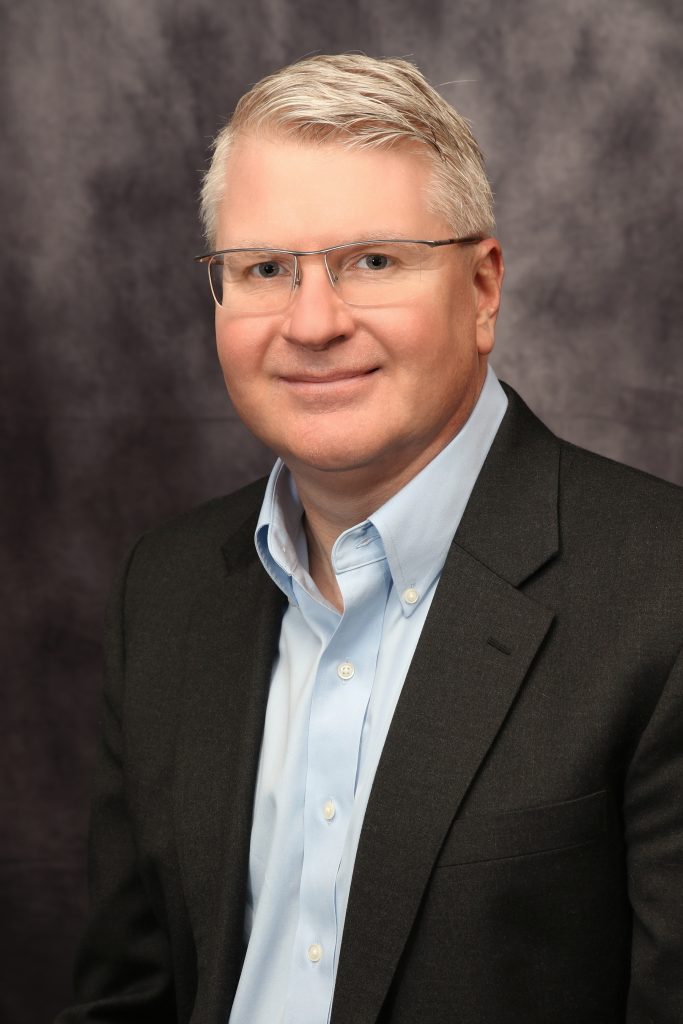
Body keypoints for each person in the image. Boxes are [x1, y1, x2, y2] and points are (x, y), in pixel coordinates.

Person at [57, 54, 682, 1024]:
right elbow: (126, 995)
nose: (312, 323)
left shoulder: (658, 589)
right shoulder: (167, 587)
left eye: (372, 261)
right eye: (265, 268)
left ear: (481, 288)